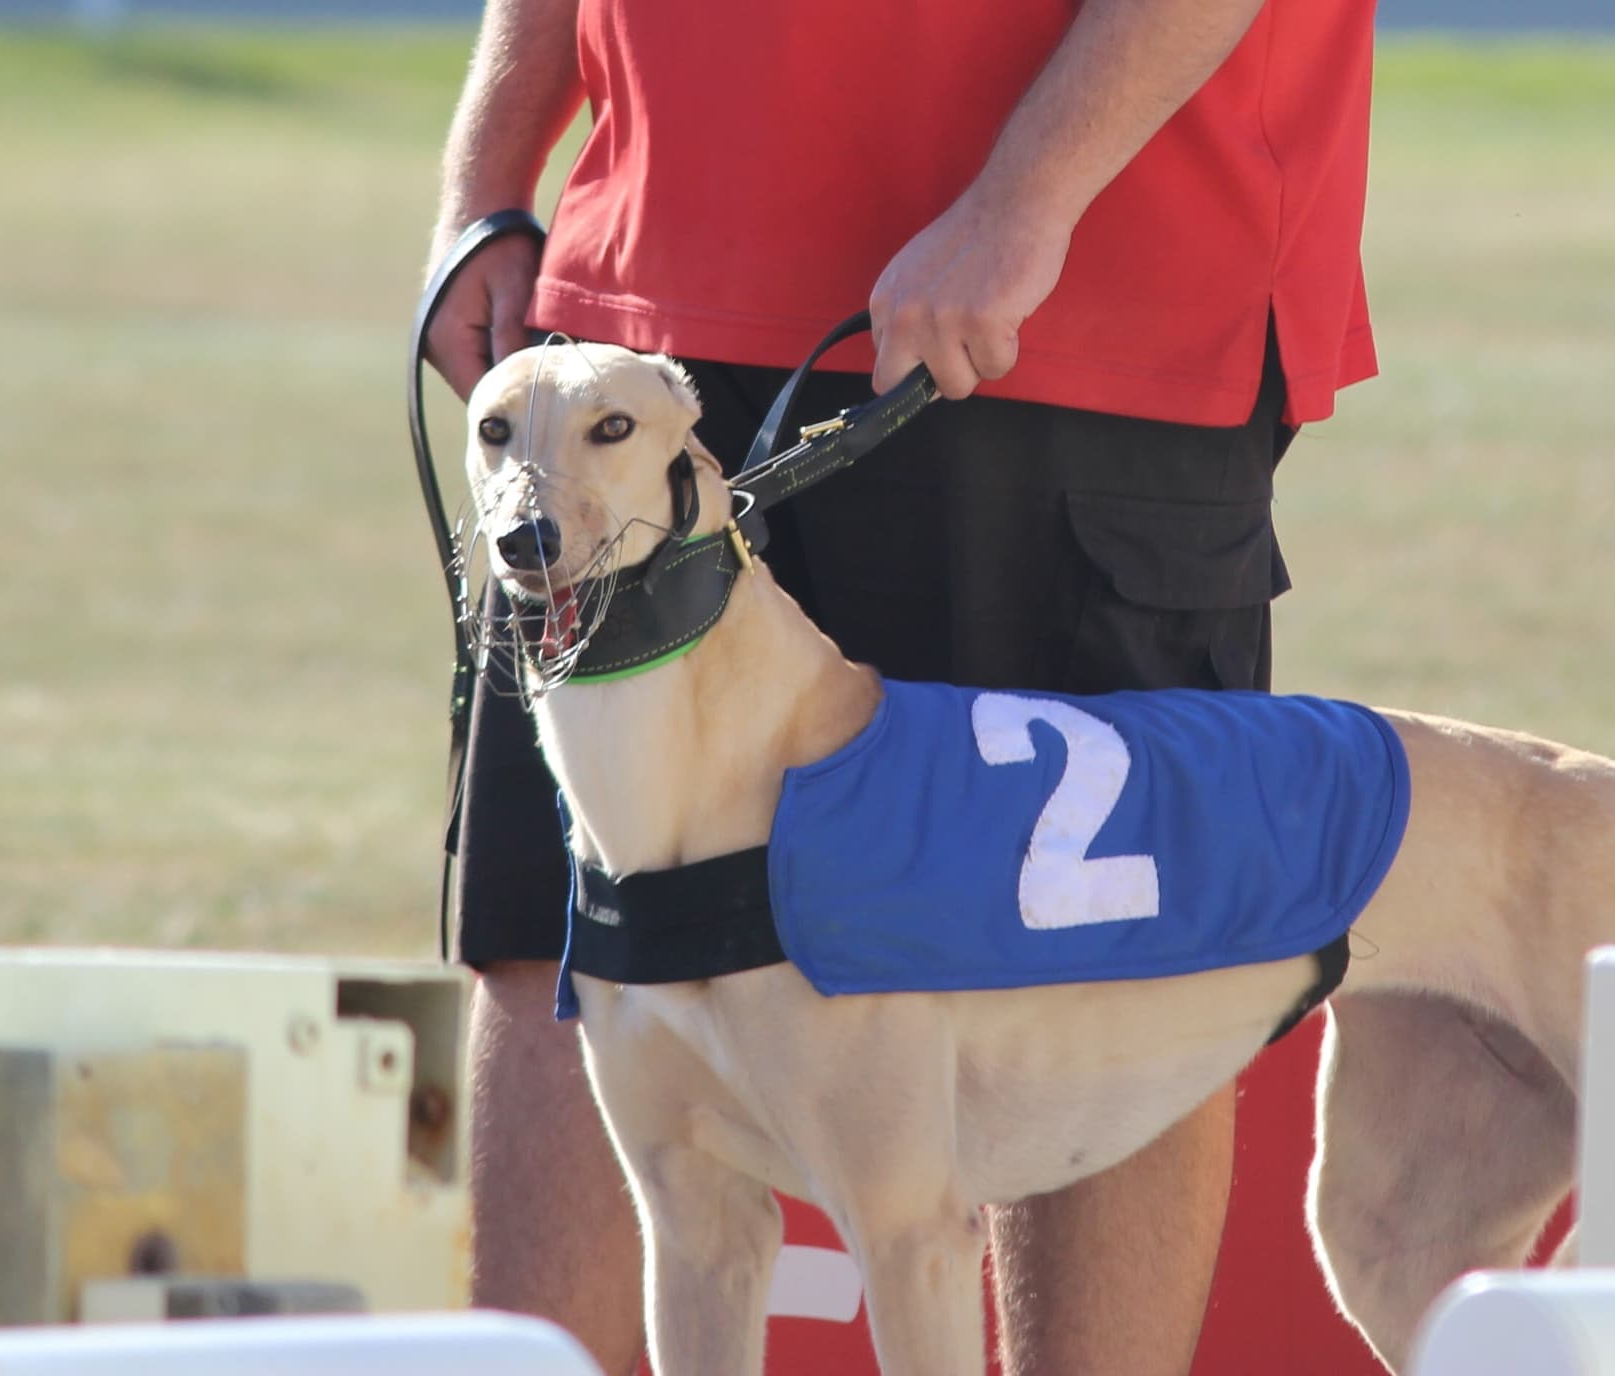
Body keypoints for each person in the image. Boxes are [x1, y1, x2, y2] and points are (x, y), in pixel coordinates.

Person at [419, 0, 1379, 1371]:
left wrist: (1030, 192)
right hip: (637, 289)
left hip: (1068, 301)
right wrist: (487, 180)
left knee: (1095, 947)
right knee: (569, 932)